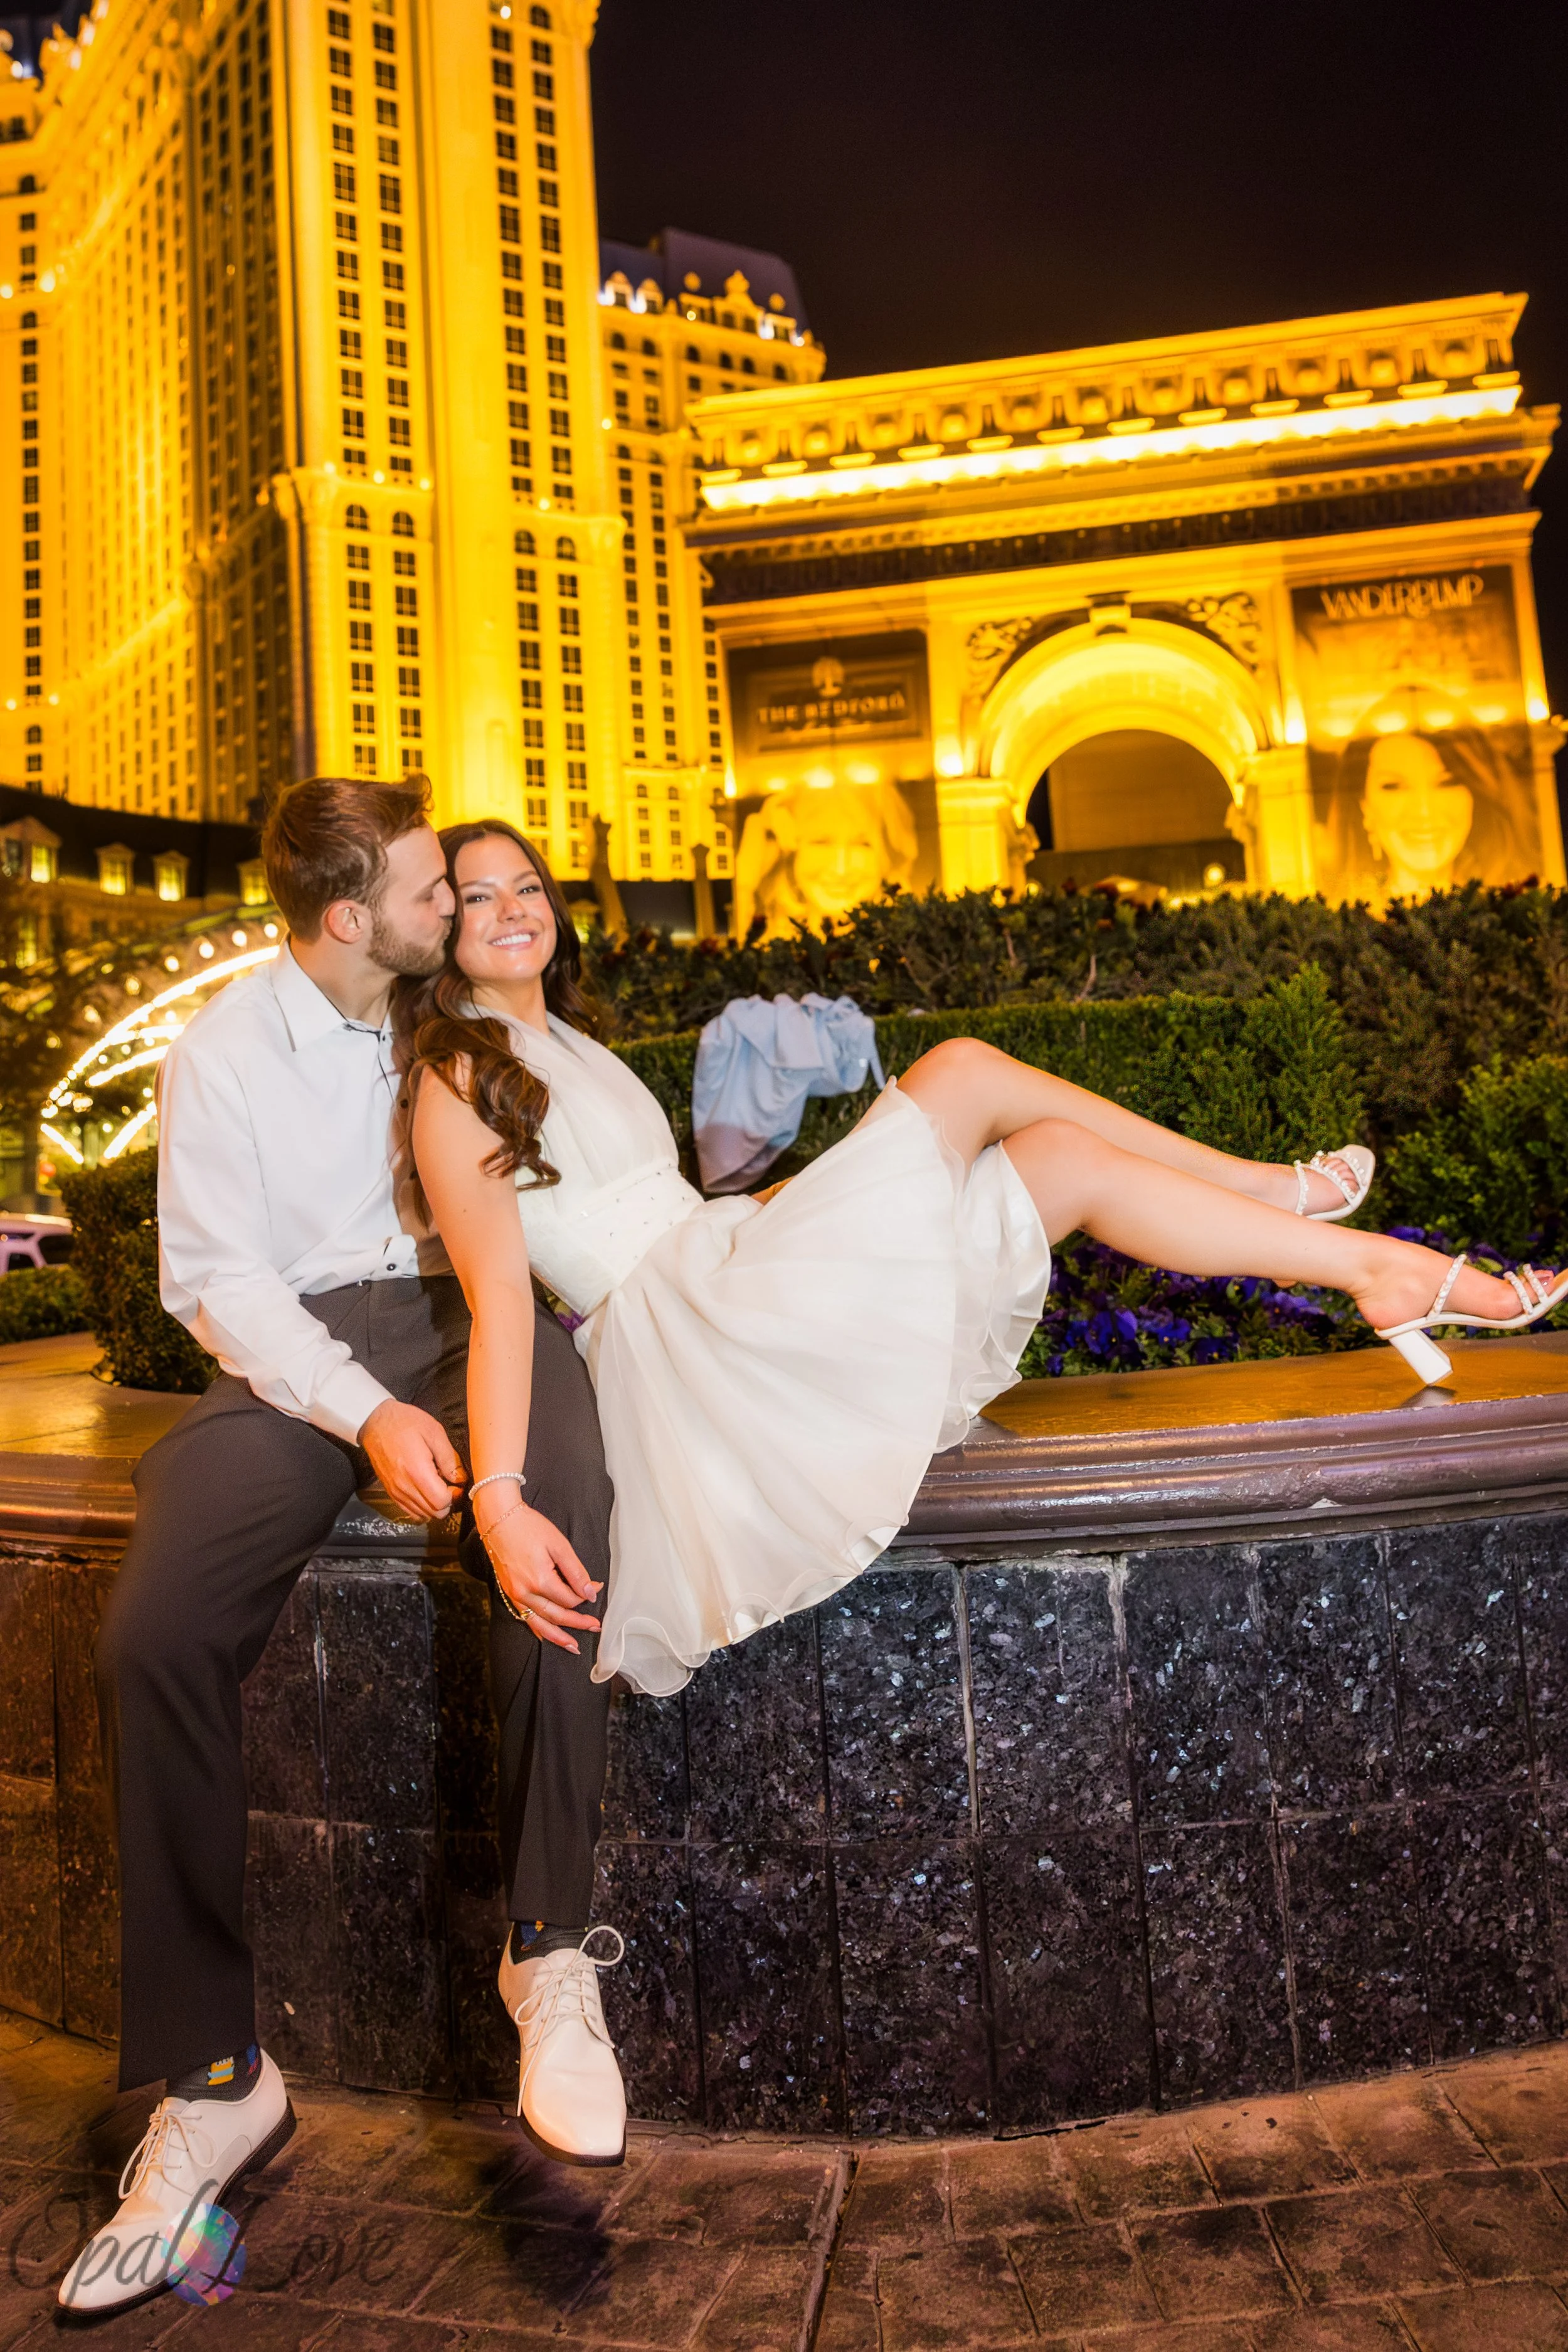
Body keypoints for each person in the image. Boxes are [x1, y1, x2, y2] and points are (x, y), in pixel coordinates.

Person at [402, 820, 1565, 1702]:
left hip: (722, 1268)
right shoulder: (457, 1073)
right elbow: (504, 1302)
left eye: (529, 887)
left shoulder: (572, 1045)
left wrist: (790, 1195)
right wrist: (498, 1502)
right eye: (477, 897)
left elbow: (672, 1209)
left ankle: (1380, 1272)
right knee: (960, 1067)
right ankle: (1272, 1185)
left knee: (1059, 1158)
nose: (514, 909)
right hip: (685, 1340)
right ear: (438, 930)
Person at [63, 779, 621, 2326]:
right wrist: (366, 1412)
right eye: (430, 886)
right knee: (151, 1633)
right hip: (299, 1360)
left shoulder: (458, 1009)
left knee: (556, 1519)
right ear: (341, 917)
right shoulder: (225, 1050)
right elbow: (218, 1282)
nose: (457, 899)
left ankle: (550, 1951)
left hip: (472, 1316)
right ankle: (219, 2074)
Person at [1321, 685, 1539, 904]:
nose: (1424, 811)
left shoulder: (1517, 908)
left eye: (1447, 783)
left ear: (1475, 796)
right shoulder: (1344, 920)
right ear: (1364, 805)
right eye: (1394, 786)